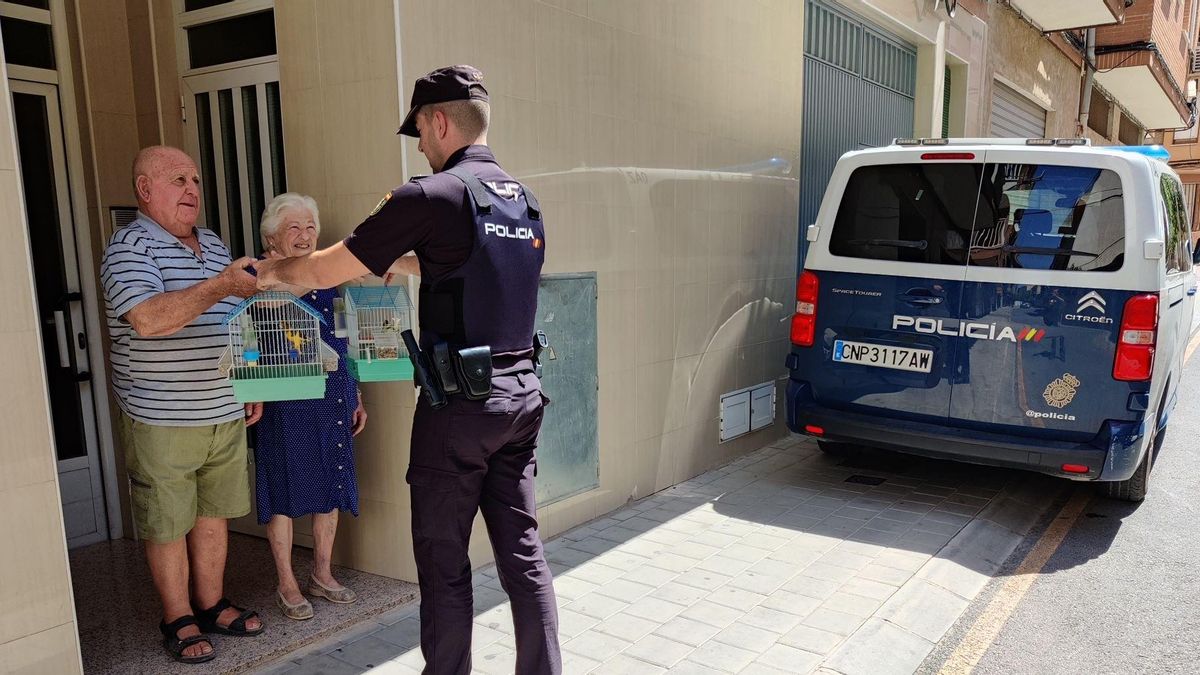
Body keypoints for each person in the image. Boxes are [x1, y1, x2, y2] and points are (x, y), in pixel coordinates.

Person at [255, 65, 560, 675]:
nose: (419, 144)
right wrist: (414, 266)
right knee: (524, 556)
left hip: (461, 411)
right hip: (520, 397)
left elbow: (320, 270)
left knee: (446, 565)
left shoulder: (430, 194)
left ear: (440, 121)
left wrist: (264, 274)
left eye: (419, 129)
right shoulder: (520, 199)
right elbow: (479, 267)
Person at [100, 146, 264, 664]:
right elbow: (148, 320)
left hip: (222, 408)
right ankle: (177, 617)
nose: (192, 188)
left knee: (214, 516)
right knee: (167, 522)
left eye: (195, 177)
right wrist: (221, 285)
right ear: (145, 191)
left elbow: (242, 315)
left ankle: (212, 604)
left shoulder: (213, 244)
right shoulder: (128, 248)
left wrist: (251, 379)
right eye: (178, 179)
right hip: (162, 414)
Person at [253, 193, 366, 620]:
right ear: (272, 239)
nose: (305, 236)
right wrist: (314, 273)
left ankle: (322, 572)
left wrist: (356, 390)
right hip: (283, 396)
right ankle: (286, 581)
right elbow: (256, 317)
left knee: (331, 481)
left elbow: (345, 336)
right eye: (294, 228)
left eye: (310, 227)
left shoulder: (328, 277)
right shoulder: (262, 274)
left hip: (332, 392)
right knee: (282, 487)